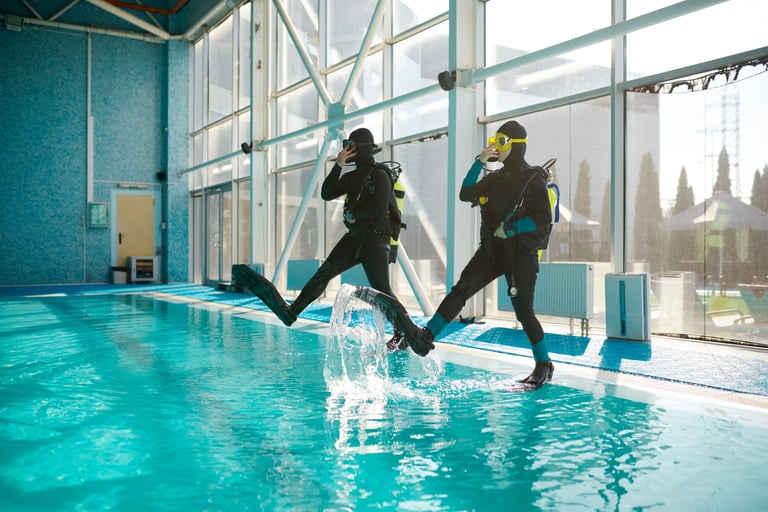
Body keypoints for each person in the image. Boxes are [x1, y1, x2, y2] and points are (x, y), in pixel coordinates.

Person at [399, 120, 555, 388]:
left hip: (520, 254)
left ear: (517, 145)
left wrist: (514, 228)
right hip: (492, 251)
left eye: (502, 141)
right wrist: (479, 161)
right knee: (462, 289)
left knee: (524, 312)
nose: (497, 146)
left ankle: (543, 364)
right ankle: (427, 336)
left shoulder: (533, 178)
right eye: (495, 141)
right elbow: (465, 193)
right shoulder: (494, 178)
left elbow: (543, 216)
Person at [234, 127, 402, 330]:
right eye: (346, 145)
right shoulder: (351, 176)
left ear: (365, 149)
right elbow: (327, 193)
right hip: (355, 238)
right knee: (323, 274)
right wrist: (338, 165)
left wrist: (353, 215)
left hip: (375, 240)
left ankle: (403, 330)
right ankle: (292, 312)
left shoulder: (380, 175)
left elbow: (378, 209)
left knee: (382, 290)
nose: (348, 149)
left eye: (352, 145)